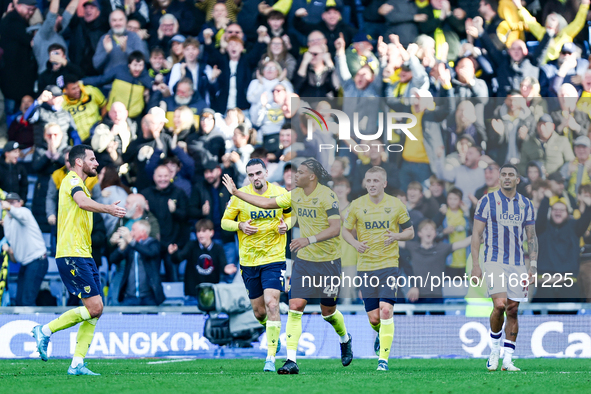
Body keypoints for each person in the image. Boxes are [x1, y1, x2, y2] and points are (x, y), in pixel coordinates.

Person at [221, 158, 353, 374]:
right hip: (299, 260)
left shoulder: (328, 196)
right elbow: (264, 204)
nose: (295, 176)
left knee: (328, 312)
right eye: (250, 174)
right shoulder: (291, 195)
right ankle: (290, 360)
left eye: (300, 173)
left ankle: (345, 338)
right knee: (285, 308)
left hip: (328, 260)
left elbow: (335, 228)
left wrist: (299, 233)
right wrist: (237, 201)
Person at [31, 144, 126, 376]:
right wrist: (107, 209)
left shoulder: (82, 185)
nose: (96, 163)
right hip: (72, 254)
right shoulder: (71, 180)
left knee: (96, 310)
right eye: (92, 159)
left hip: (84, 254)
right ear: (79, 162)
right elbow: (82, 203)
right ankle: (44, 329)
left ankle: (76, 364)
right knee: (94, 308)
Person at [221, 158, 291, 372]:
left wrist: (285, 225)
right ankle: (270, 332)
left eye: (258, 173)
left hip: (274, 257)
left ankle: (270, 356)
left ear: (266, 172)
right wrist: (240, 225)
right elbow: (224, 222)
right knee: (259, 312)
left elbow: (291, 216)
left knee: (272, 304)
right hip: (249, 261)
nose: (255, 178)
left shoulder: (279, 192)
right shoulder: (239, 196)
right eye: (251, 175)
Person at [342, 166, 415, 372]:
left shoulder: (396, 204)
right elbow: (346, 231)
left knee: (385, 310)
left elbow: (410, 232)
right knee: (374, 318)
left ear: (384, 183)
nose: (371, 184)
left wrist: (396, 236)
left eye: (376, 181)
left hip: (389, 265)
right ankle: (381, 332)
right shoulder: (356, 205)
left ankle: (383, 360)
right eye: (368, 181)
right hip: (365, 267)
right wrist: (355, 244)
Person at [471, 164, 537, 372]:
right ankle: (494, 350)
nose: (507, 178)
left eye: (511, 175)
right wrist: (475, 265)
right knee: (499, 305)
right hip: (493, 261)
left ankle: (508, 360)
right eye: (504, 175)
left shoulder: (526, 204)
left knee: (513, 310)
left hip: (518, 264)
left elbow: (532, 237)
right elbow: (476, 235)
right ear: (499, 179)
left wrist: (533, 265)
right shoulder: (487, 202)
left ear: (518, 180)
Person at [169, 219, 234, 303]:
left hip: (211, 294)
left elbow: (223, 266)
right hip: (192, 295)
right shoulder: (191, 245)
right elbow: (177, 259)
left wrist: (226, 270)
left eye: (203, 231)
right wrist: (174, 253)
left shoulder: (218, 249)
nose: (200, 234)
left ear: (211, 232)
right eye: (198, 231)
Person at [1, 193, 48, 306]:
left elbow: (16, 212)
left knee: (27, 301)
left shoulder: (25, 212)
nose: (10, 204)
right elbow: (14, 258)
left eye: (13, 202)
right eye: (8, 202)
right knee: (19, 302)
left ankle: (33, 324)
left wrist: (8, 207)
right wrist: (8, 250)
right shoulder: (7, 221)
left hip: (38, 260)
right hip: (25, 263)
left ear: (20, 203)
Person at [109, 220, 164, 306]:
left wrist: (130, 241)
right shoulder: (130, 246)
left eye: (133, 230)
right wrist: (121, 249)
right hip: (129, 296)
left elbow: (150, 252)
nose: (131, 232)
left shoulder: (153, 244)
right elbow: (113, 259)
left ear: (143, 231)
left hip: (150, 296)